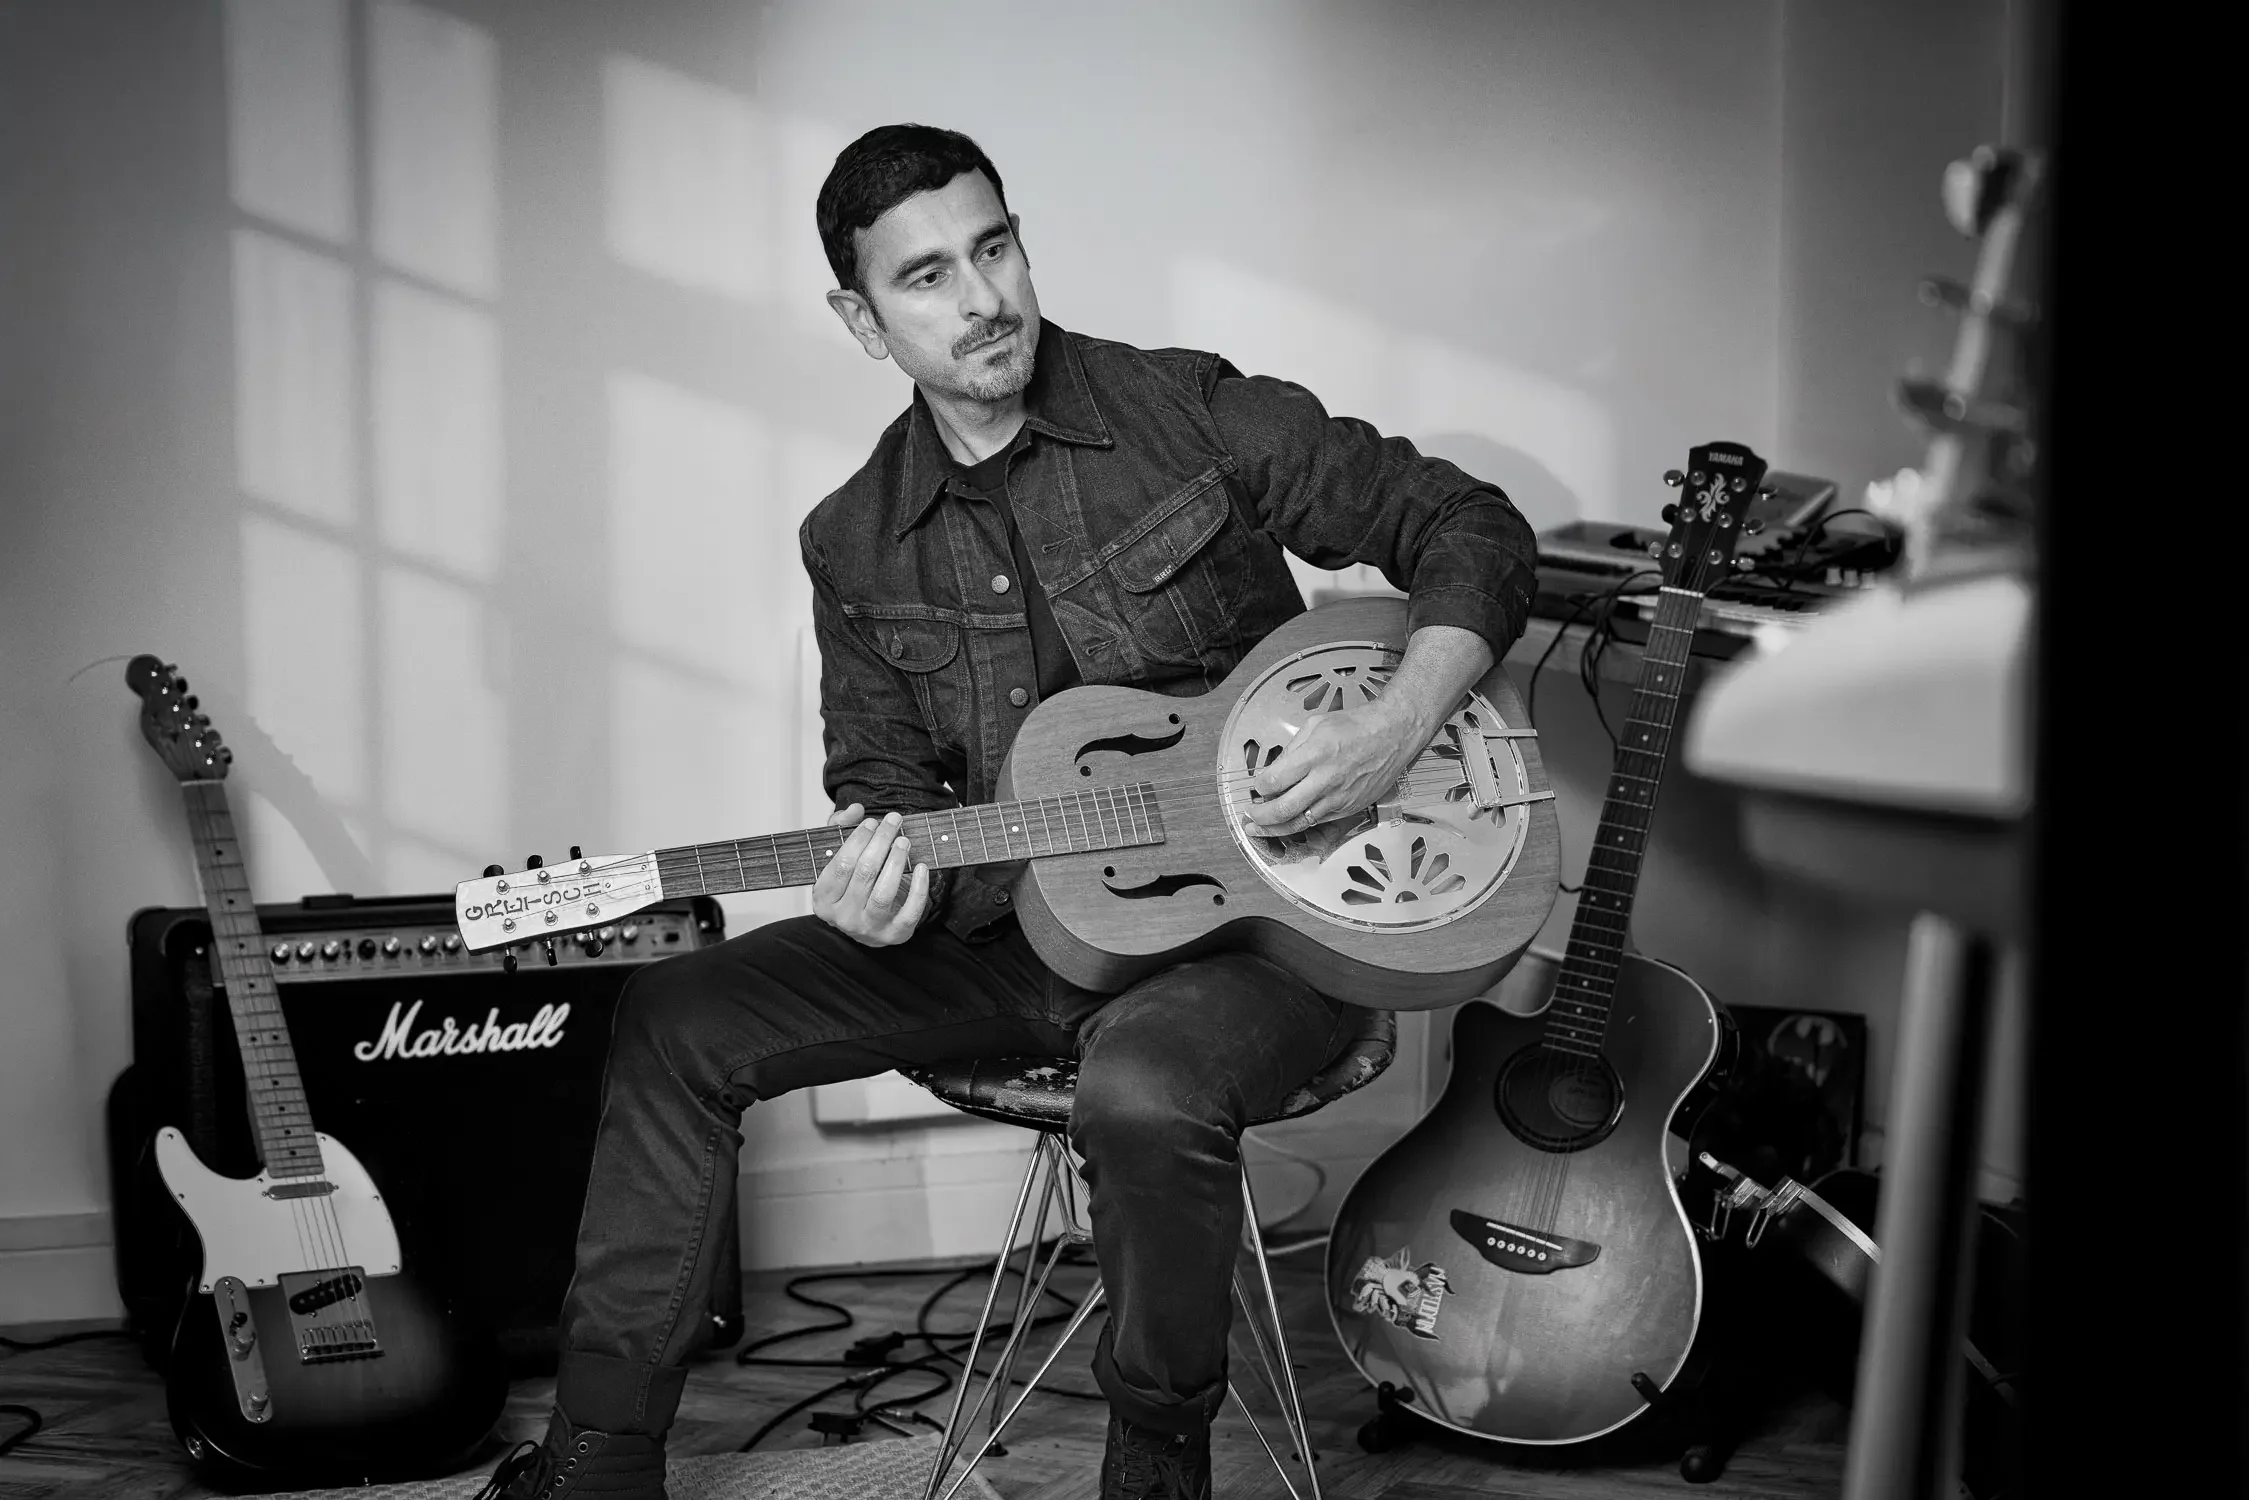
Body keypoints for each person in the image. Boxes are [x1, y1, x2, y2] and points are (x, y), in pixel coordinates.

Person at [481, 122, 1537, 1500]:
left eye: (995, 248)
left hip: (1260, 931)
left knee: (1146, 1084)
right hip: (1003, 931)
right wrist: (871, 881)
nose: (983, 299)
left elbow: (1474, 528)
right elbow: (879, 790)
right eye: (926, 277)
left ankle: (1155, 1467)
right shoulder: (851, 536)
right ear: (860, 319)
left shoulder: (1189, 411)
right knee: (678, 1019)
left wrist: (1391, 728)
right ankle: (598, 1464)